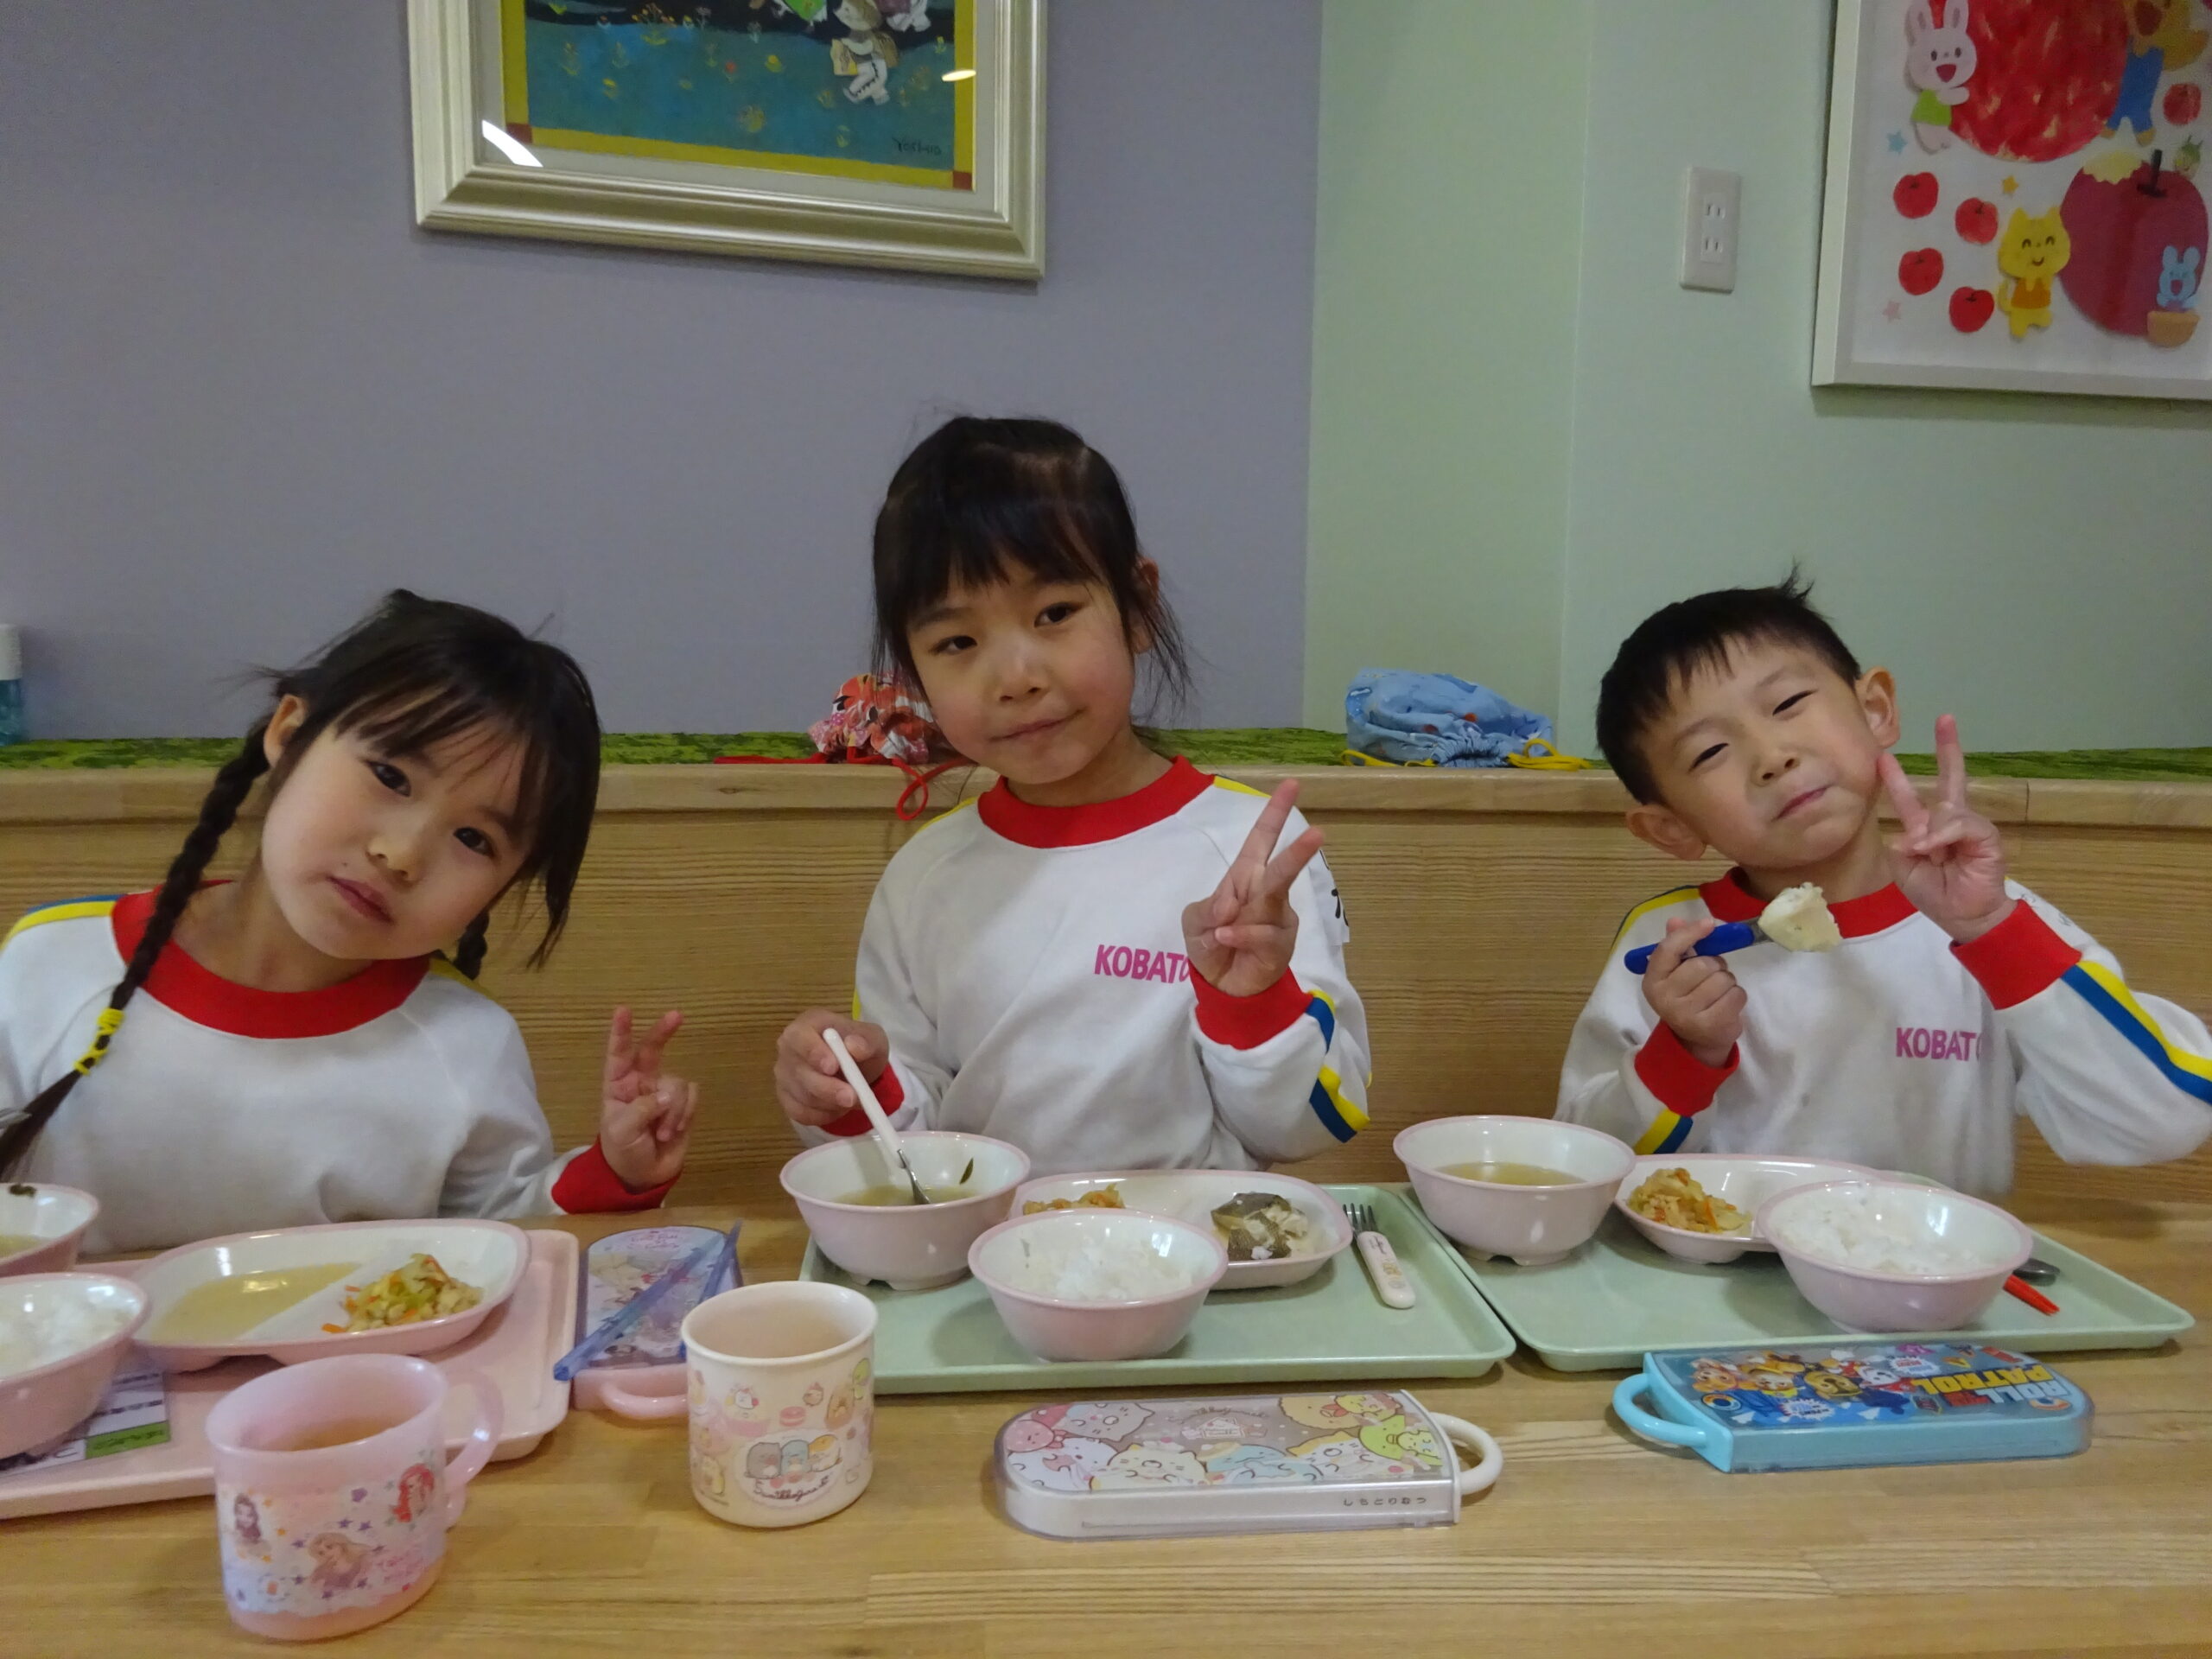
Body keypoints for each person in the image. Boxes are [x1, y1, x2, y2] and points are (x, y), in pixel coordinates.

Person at [0, 592, 696, 1252]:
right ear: (289, 732)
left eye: (473, 839)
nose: (401, 855)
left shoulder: (466, 1048)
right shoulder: (55, 963)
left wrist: (616, 1171)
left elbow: (504, 1240)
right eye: (391, 776)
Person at [774, 416, 1370, 1173]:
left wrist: (1251, 1001)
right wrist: (851, 1088)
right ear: (913, 670)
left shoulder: (1251, 851)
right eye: (957, 642)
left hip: (1195, 1242)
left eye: (1054, 613)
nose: (1016, 678)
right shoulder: (923, 876)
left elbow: (1315, 1124)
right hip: (988, 1242)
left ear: (1138, 606)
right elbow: (912, 1145)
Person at [1556, 575, 2211, 1193]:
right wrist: (1685, 1054)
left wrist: (1994, 935)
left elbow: (2167, 1118)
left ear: (1875, 710)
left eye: (1787, 704)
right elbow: (1583, 1166)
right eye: (1709, 753)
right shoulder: (1672, 946)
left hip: (1936, 1271)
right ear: (1670, 827)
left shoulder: (1994, 924)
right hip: (1719, 1269)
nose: (1772, 757)